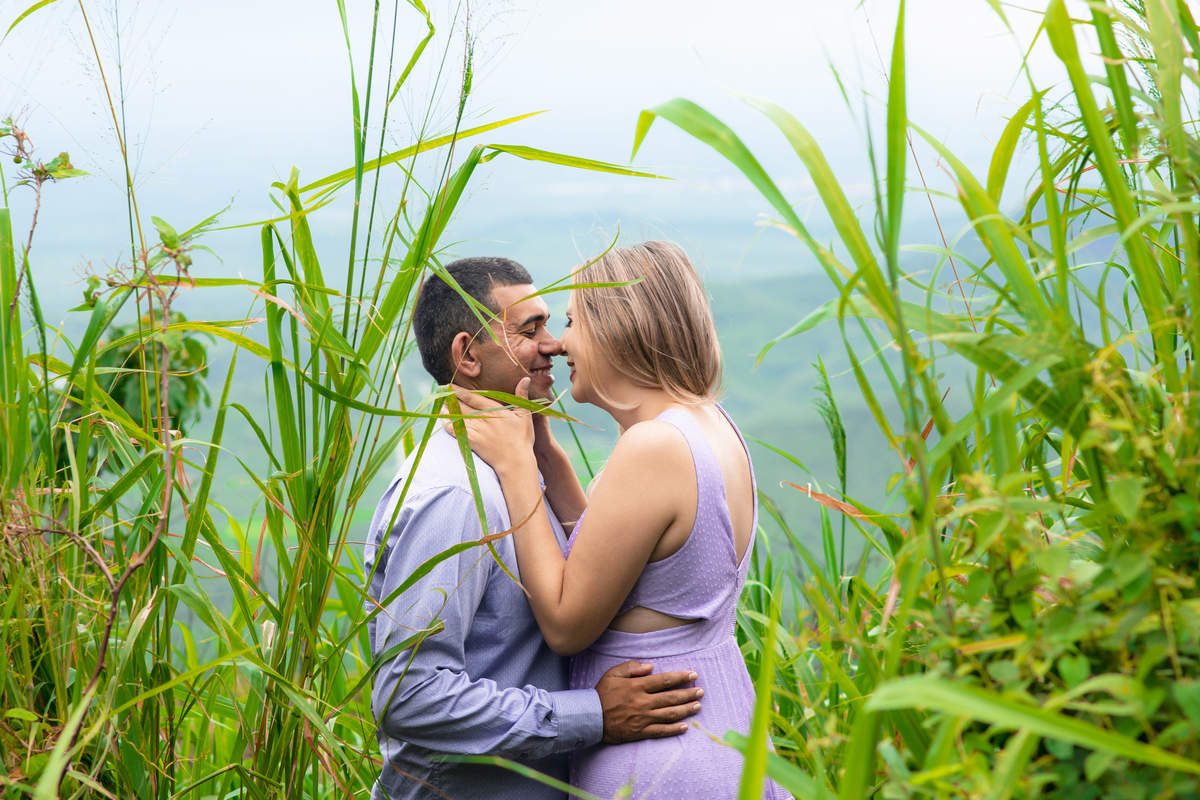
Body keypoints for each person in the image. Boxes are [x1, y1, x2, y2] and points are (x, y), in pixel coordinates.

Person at [451, 242, 789, 799]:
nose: (558, 344)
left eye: (572, 321)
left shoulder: (653, 448)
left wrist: (514, 467)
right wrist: (549, 458)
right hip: (723, 733)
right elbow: (624, 565)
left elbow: (565, 623)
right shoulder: (707, 424)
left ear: (617, 327)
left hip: (664, 762)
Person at [364, 256, 705, 800]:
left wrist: (542, 455)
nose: (554, 344)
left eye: (551, 323)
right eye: (530, 329)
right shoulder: (457, 494)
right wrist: (592, 714)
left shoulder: (516, 465)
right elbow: (410, 695)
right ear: (468, 355)